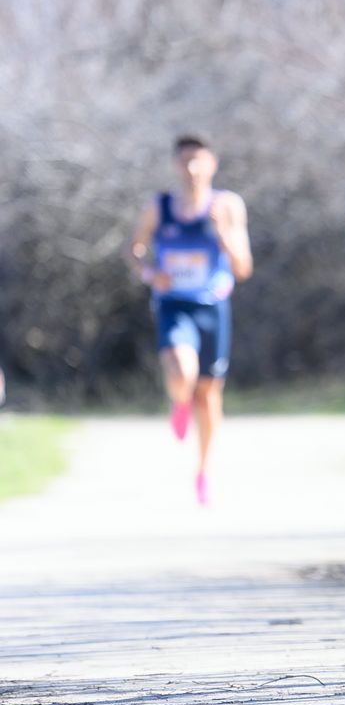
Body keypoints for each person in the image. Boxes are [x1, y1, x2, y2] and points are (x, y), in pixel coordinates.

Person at [126, 133, 253, 504]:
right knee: (182, 370)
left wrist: (223, 233)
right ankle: (178, 403)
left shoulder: (227, 206)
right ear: (175, 165)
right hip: (172, 304)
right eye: (185, 161)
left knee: (209, 394)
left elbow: (243, 268)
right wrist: (150, 274)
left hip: (212, 306)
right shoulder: (159, 207)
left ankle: (203, 470)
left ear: (213, 163)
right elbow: (133, 250)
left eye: (199, 160)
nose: (192, 168)